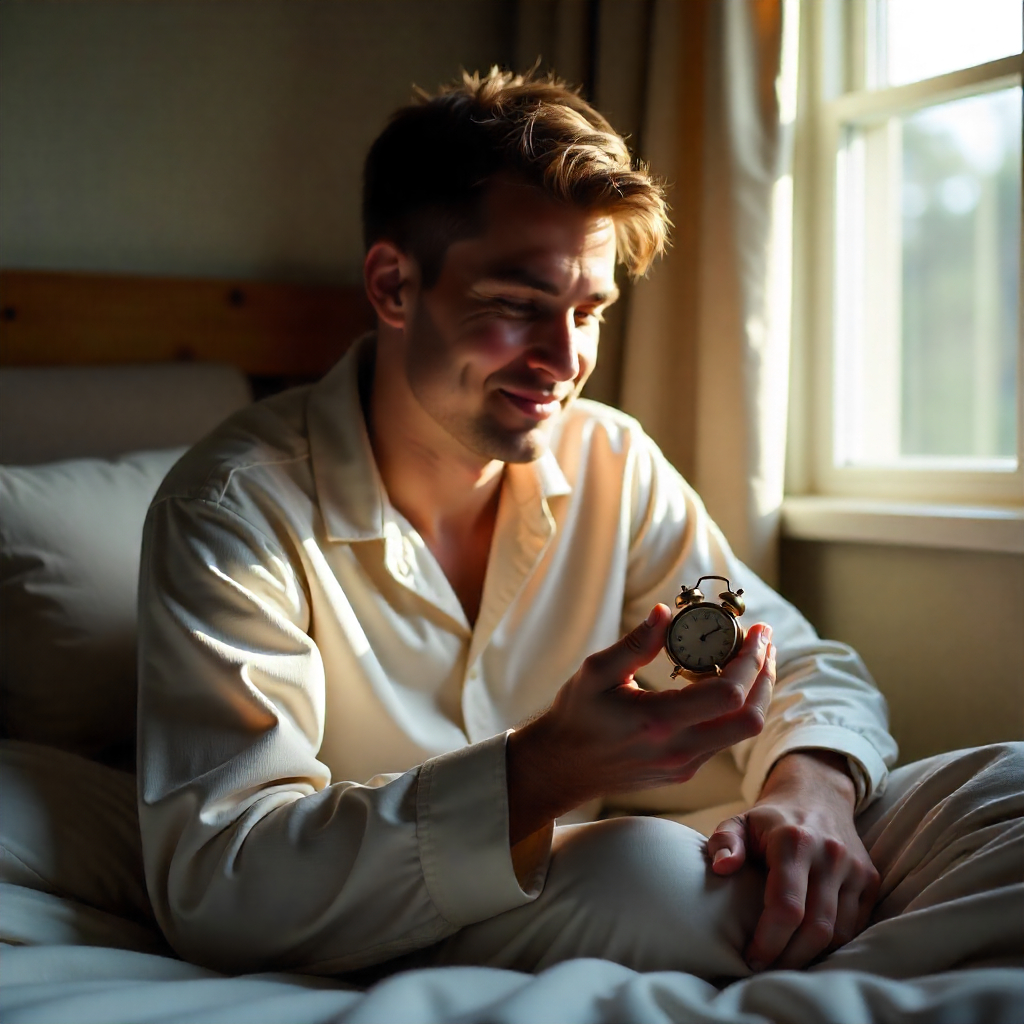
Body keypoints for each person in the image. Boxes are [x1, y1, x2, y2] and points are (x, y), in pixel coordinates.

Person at [137, 68, 1022, 979]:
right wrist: (538, 775)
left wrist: (812, 792)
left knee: (1011, 787)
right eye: (518, 307)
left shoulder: (609, 461)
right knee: (644, 873)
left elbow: (785, 659)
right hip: (429, 902)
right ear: (394, 285)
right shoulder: (231, 511)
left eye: (588, 310)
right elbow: (224, 881)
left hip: (670, 856)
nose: (565, 360)